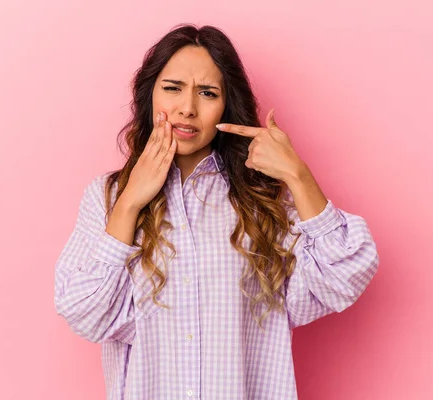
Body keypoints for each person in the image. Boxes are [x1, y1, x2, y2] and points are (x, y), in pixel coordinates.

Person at [54, 23, 380, 400]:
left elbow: (344, 275)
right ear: (150, 96)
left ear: (227, 105)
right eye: (172, 88)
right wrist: (130, 203)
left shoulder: (264, 199)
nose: (187, 109)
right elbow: (85, 314)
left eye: (207, 93)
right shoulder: (107, 197)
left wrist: (297, 174)